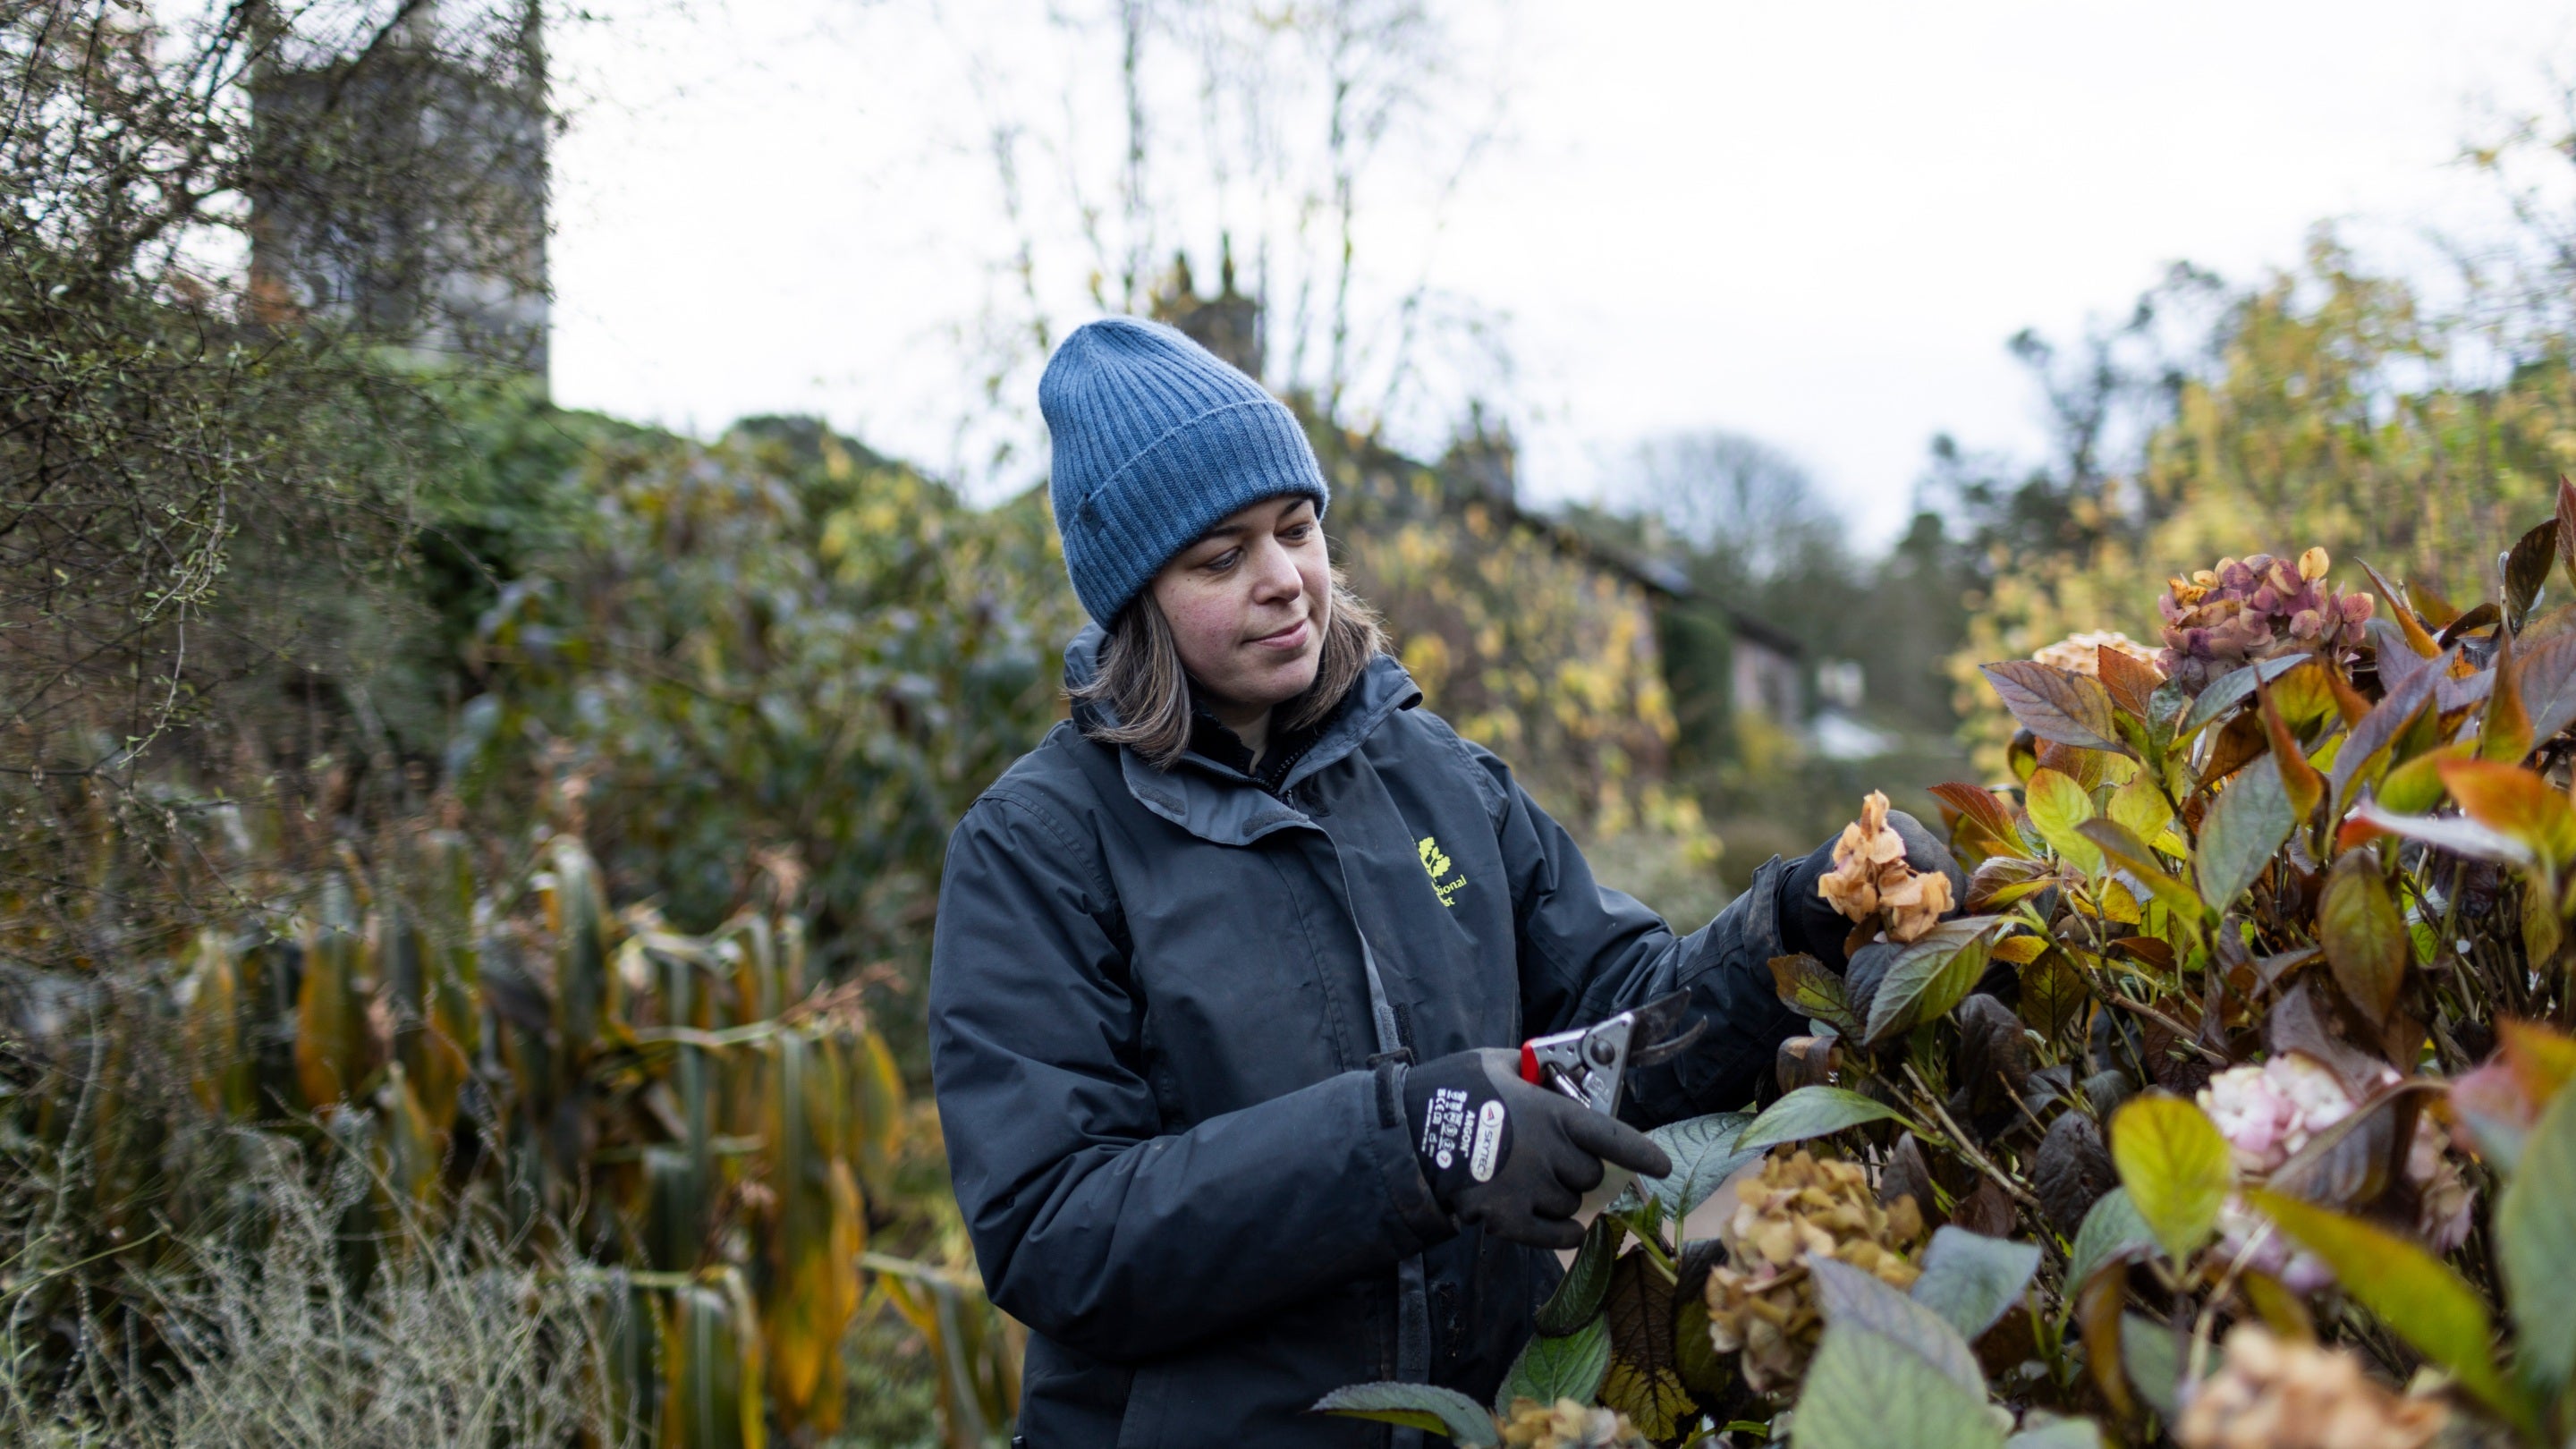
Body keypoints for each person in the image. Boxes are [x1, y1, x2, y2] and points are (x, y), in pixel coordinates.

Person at [928, 317, 1956, 1447]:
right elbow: (1057, 1233)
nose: (1284, 581)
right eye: (1221, 558)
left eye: (1297, 529)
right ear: (1136, 599)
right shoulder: (1038, 847)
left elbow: (1617, 1029)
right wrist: (1410, 1141)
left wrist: (1802, 922)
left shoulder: (1436, 777)